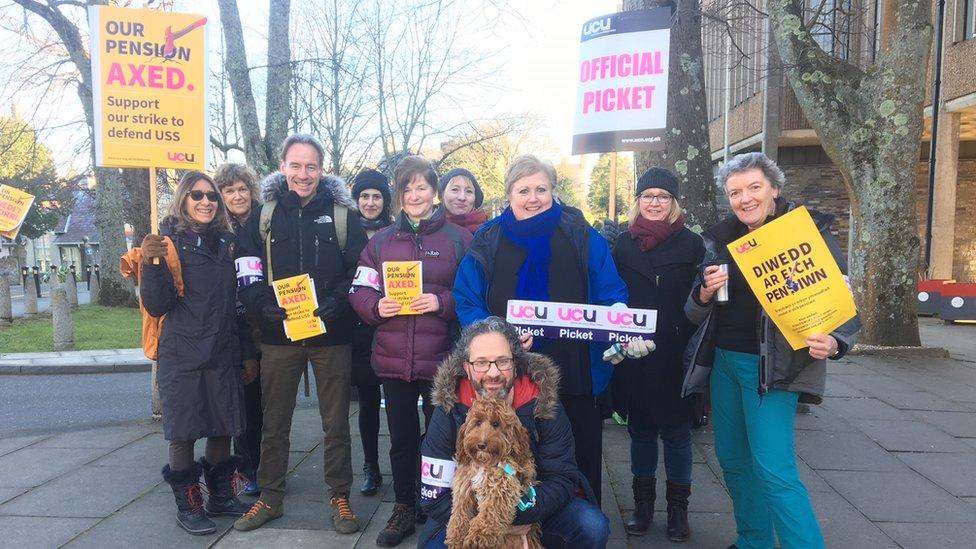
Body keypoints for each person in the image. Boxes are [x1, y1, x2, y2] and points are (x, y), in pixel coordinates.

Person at [682, 152, 861, 549]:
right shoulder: (721, 239)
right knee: (731, 459)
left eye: (754, 188)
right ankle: (753, 541)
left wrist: (835, 342)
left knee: (774, 470)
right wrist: (704, 293)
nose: (744, 198)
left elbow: (843, 305)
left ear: (775, 189)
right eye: (735, 192)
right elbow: (694, 313)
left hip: (774, 370)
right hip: (723, 363)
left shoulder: (806, 234)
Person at [452, 154, 650, 504]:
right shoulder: (488, 238)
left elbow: (609, 288)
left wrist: (619, 319)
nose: (533, 198)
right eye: (523, 189)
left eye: (541, 189)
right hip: (510, 374)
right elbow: (468, 300)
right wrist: (498, 334)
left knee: (581, 459)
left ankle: (583, 526)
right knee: (512, 458)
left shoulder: (579, 233)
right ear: (509, 193)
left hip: (575, 371)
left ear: (553, 191)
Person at [232, 134, 368, 534]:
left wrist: (339, 303)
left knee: (336, 422)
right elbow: (247, 267)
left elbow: (358, 271)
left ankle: (339, 496)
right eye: (296, 165)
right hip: (278, 336)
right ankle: (269, 497)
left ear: (321, 169)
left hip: (331, 335)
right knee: (274, 421)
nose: (303, 174)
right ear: (283, 166)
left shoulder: (343, 214)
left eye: (311, 166)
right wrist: (261, 306)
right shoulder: (264, 214)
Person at [349, 155, 472, 547]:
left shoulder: (459, 240)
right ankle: (404, 504)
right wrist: (374, 306)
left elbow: (474, 294)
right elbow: (359, 289)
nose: (414, 195)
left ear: (434, 191)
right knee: (401, 438)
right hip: (392, 358)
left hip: (442, 360)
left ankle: (440, 507)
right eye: (406, 189)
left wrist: (440, 302)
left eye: (421, 187)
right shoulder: (382, 241)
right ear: (398, 196)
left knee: (441, 439)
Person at [418, 317, 610, 548]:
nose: (492, 373)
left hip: (532, 506)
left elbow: (562, 479)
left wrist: (508, 518)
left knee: (592, 525)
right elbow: (433, 494)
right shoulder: (449, 407)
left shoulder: (543, 403)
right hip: (463, 513)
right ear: (466, 367)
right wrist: (484, 522)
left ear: (516, 364)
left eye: (502, 361)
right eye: (481, 363)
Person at [142, 171, 250, 535]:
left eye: (211, 196)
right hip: (183, 353)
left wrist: (244, 353)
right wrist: (151, 263)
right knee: (184, 433)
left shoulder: (226, 241)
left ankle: (220, 496)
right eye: (197, 195)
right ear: (184, 199)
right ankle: (188, 505)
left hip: (221, 350)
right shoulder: (168, 242)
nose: (206, 201)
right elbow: (157, 305)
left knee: (222, 426)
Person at [610, 167, 703, 541]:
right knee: (641, 431)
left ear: (673, 202)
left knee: (678, 433)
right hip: (635, 354)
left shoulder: (692, 244)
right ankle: (643, 505)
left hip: (674, 352)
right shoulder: (623, 244)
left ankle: (679, 509)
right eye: (647, 196)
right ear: (638, 201)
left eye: (662, 196)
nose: (654, 202)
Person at [214, 162, 263, 496]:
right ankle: (245, 467)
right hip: (227, 323)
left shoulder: (265, 223)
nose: (237, 195)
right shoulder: (216, 228)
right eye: (229, 190)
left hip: (262, 321)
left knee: (261, 404)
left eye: (242, 188)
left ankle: (261, 467)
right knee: (238, 406)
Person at [350, 168, 394, 496]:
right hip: (359, 330)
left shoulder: (396, 232)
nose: (370, 202)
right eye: (364, 196)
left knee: (397, 405)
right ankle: (371, 466)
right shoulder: (348, 231)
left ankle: (406, 464)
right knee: (367, 403)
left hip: (393, 325)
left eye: (376, 196)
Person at [437, 168, 487, 234]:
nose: (462, 197)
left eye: (469, 191)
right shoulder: (428, 229)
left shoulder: (490, 233)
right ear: (442, 195)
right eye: (455, 190)